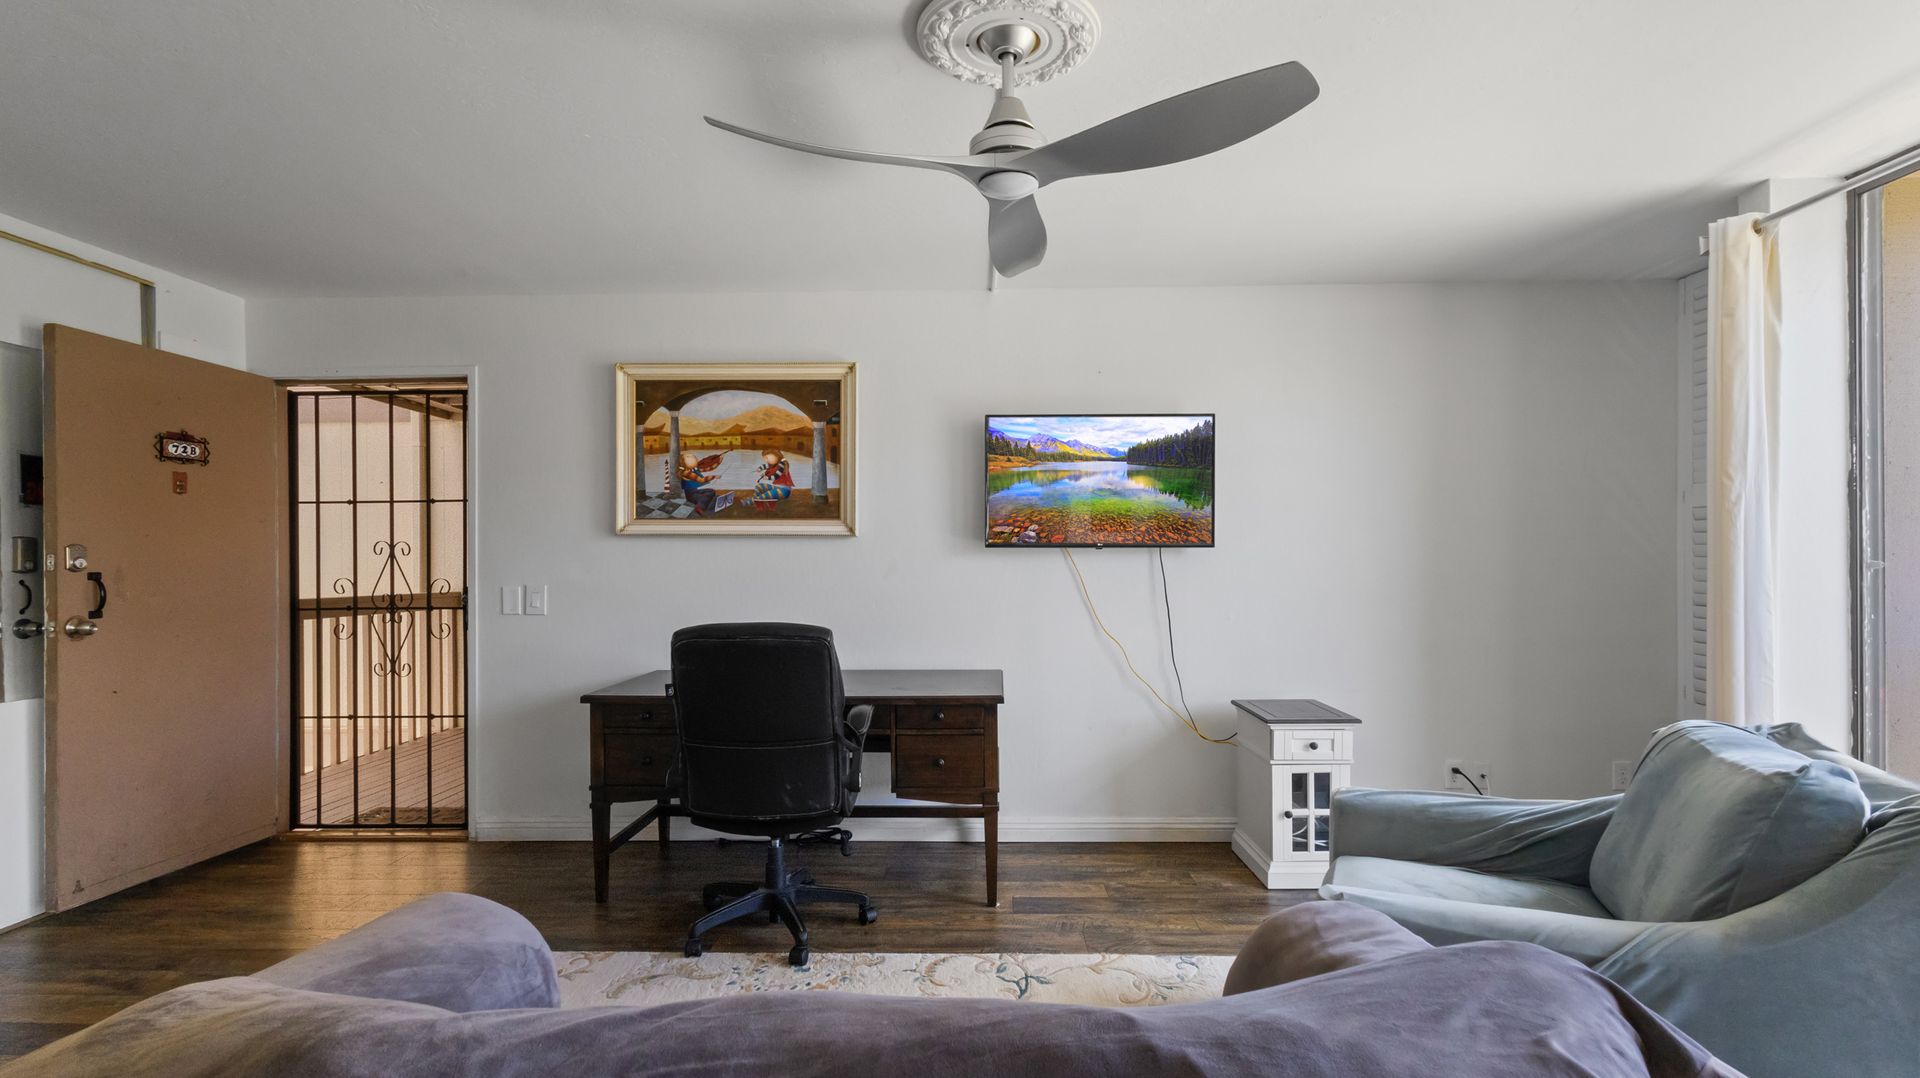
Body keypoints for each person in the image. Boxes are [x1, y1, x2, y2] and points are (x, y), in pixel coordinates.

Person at [678, 451, 734, 515]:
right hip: (691, 495)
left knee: (711, 491)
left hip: (695, 491)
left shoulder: (694, 469)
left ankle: (705, 502)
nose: (694, 457)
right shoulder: (686, 473)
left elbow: (709, 468)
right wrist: (714, 476)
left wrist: (719, 460)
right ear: (683, 463)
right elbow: (702, 480)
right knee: (706, 496)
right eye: (688, 457)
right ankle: (699, 507)